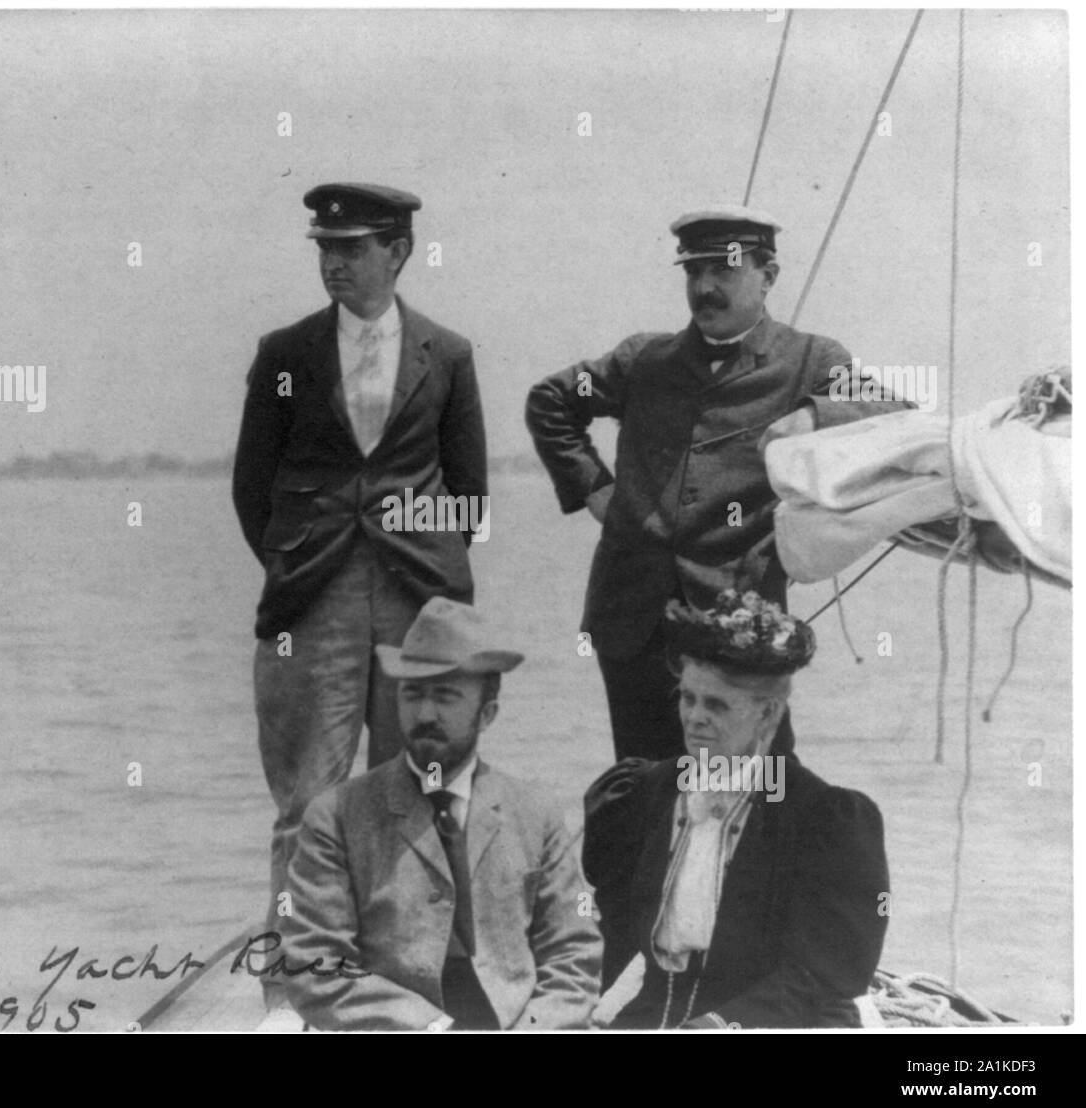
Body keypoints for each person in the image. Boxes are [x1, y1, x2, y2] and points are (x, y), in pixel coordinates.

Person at [525, 204, 909, 761]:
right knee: (643, 787)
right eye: (693, 271)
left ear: (768, 276)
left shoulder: (808, 360)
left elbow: (896, 413)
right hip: (632, 619)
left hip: (741, 621)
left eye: (723, 270)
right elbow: (551, 401)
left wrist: (815, 415)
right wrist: (593, 487)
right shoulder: (644, 360)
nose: (704, 287)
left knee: (761, 787)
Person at [232, 183, 488, 1006]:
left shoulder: (446, 354)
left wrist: (426, 562)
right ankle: (290, 995)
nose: (334, 263)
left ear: (398, 252)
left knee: (413, 792)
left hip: (417, 600)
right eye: (324, 249)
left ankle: (401, 989)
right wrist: (297, 562)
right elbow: (252, 486)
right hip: (313, 600)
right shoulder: (285, 353)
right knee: (306, 800)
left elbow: (469, 494)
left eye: (353, 248)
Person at [277, 597, 602, 1031]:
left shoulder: (536, 813)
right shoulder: (336, 817)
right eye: (412, 693)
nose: (425, 714)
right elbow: (316, 965)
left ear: (487, 714)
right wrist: (430, 1027)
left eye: (446, 696)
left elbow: (574, 948)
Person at [582, 591, 889, 1029]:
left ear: (768, 715)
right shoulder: (642, 792)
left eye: (717, 705)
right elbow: (613, 928)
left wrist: (720, 1024)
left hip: (771, 1019)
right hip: (653, 1014)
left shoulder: (824, 818)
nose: (694, 718)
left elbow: (821, 973)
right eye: (688, 698)